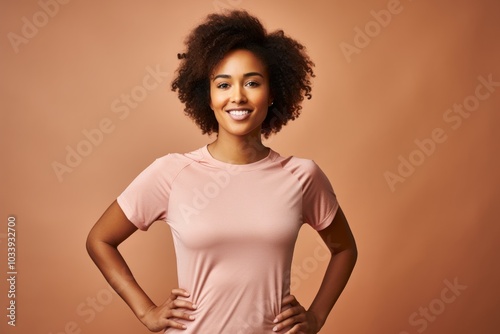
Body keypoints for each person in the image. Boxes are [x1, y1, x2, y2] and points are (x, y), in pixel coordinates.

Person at [86, 10, 357, 334]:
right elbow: (100, 240)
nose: (237, 96)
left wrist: (316, 317)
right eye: (223, 84)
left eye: (252, 82)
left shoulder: (301, 176)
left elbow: (344, 249)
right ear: (208, 95)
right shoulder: (172, 173)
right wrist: (146, 312)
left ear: (272, 93)